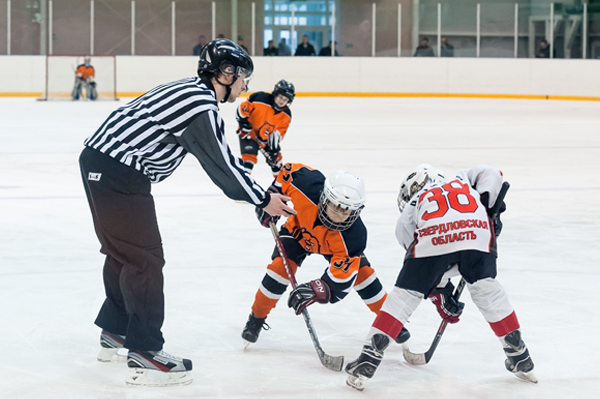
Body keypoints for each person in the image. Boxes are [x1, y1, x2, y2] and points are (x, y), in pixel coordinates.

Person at [79, 38, 296, 387]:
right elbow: (222, 166)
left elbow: (222, 163)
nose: (245, 86)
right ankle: (146, 352)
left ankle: (116, 332)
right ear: (225, 74)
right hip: (119, 171)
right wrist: (262, 197)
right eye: (242, 77)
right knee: (145, 259)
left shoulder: (190, 92)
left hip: (100, 162)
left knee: (124, 254)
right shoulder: (200, 105)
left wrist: (257, 194)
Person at [346, 164, 536, 391]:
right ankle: (519, 354)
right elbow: (492, 174)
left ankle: (370, 356)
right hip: (477, 232)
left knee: (404, 297)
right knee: (489, 292)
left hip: (434, 238)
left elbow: (426, 266)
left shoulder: (413, 206)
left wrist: (440, 289)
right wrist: (489, 209)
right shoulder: (462, 180)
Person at [241, 163, 410, 347]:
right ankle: (255, 319)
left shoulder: (354, 237)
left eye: (346, 211)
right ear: (324, 197)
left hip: (333, 248)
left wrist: (319, 288)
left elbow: (341, 279)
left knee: (364, 276)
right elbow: (287, 171)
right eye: (334, 207)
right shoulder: (306, 184)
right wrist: (271, 197)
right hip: (299, 233)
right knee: (278, 270)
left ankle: (391, 322)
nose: (338, 216)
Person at [235, 79, 295, 176]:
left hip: (265, 139)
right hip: (248, 133)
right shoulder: (259, 98)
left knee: (277, 163)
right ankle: (242, 184)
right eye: (280, 97)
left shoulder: (286, 115)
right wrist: (243, 124)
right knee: (248, 160)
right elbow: (242, 108)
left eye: (285, 99)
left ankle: (280, 186)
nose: (281, 101)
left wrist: (274, 148)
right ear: (275, 94)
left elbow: (279, 133)